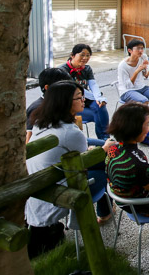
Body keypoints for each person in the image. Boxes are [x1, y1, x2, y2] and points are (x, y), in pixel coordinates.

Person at [26, 81, 114, 258]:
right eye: (79, 97)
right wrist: (105, 149)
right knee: (109, 164)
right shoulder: (70, 133)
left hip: (41, 185)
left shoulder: (40, 122)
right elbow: (84, 165)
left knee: (103, 153)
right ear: (64, 102)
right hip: (60, 191)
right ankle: (104, 213)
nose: (84, 100)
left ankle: (106, 211)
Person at [106, 102, 149, 237]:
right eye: (147, 124)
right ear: (134, 128)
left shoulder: (114, 148)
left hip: (126, 203)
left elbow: (146, 173)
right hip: (145, 206)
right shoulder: (136, 161)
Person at [59, 43, 110, 140]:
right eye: (82, 55)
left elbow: (93, 85)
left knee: (100, 106)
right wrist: (97, 98)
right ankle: (104, 142)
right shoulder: (63, 70)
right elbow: (79, 91)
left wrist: (99, 98)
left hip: (84, 101)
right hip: (70, 104)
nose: (85, 58)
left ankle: (105, 139)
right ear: (72, 55)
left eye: (87, 55)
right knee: (98, 114)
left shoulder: (87, 69)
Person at [26, 67, 71, 142]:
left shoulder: (56, 103)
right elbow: (28, 140)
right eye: (63, 86)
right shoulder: (38, 108)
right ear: (47, 87)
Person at [117, 38, 149, 103]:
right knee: (144, 101)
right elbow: (127, 86)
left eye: (142, 48)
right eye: (138, 48)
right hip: (127, 91)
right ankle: (146, 113)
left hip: (141, 87)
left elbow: (147, 77)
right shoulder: (122, 65)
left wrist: (145, 69)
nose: (141, 51)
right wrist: (137, 71)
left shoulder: (143, 57)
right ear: (130, 50)